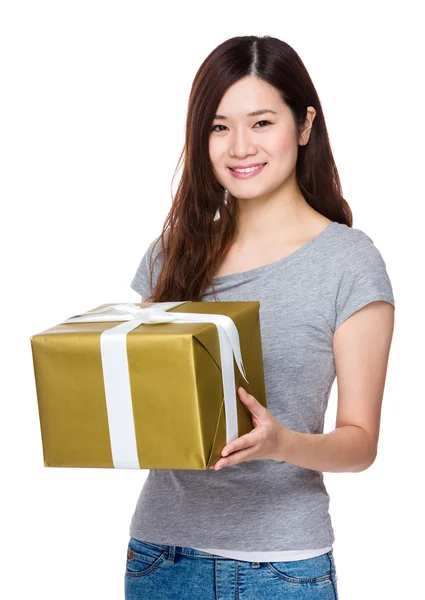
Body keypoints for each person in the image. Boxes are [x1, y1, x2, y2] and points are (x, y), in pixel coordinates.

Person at [125, 34, 395, 600]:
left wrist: (280, 443)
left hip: (282, 567)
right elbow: (145, 404)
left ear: (304, 125)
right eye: (219, 126)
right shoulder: (171, 253)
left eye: (262, 122)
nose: (239, 146)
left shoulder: (347, 261)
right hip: (161, 558)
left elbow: (360, 443)